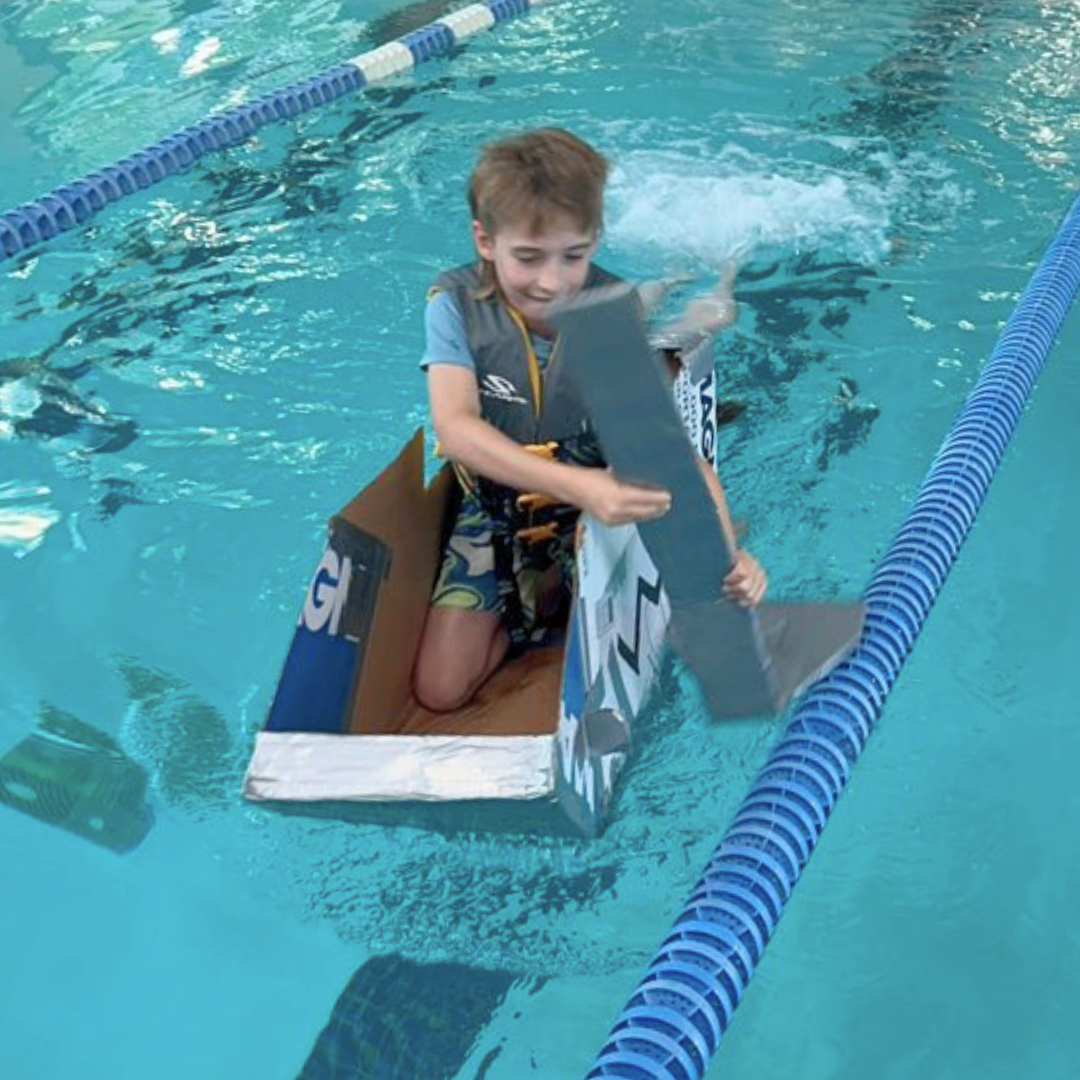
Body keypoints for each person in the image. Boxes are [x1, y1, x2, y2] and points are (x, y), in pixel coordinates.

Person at [412, 128, 766, 712]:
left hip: (600, 505)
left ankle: (719, 280)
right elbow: (454, 427)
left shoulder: (606, 315)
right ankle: (526, 613)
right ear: (485, 241)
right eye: (528, 258)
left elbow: (679, 462)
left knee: (699, 324)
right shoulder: (454, 307)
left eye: (573, 257)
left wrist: (732, 561)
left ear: (595, 241)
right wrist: (580, 487)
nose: (551, 282)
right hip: (507, 508)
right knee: (439, 691)